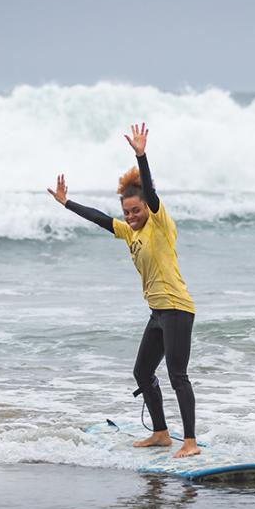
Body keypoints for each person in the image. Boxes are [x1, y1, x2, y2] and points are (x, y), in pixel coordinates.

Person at [47, 123, 200, 458]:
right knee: (142, 373)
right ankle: (161, 433)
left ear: (148, 207)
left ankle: (189, 442)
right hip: (158, 312)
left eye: (137, 209)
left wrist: (141, 156)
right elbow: (101, 219)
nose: (131, 216)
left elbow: (153, 196)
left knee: (177, 375)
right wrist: (67, 203)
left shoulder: (160, 223)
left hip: (177, 308)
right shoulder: (130, 233)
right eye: (127, 212)